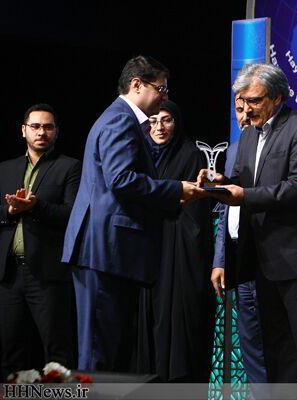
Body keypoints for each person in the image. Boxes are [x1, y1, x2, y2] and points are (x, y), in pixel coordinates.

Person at [62, 55, 205, 372]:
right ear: (137, 84)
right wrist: (175, 190)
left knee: (111, 353)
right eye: (161, 89)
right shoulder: (121, 120)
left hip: (108, 252)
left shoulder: (122, 119)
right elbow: (121, 179)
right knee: (100, 356)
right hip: (103, 251)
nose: (164, 97)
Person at [196, 63, 297, 384]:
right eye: (243, 101)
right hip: (263, 262)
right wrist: (218, 182)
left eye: (255, 100)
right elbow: (241, 181)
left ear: (277, 98)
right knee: (277, 352)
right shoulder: (249, 135)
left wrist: (244, 195)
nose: (247, 109)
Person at [0, 104, 81, 379]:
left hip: (48, 274)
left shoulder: (69, 167)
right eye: (35, 126)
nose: (41, 132)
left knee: (57, 353)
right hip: (10, 274)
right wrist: (10, 211)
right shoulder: (6, 168)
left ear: (56, 132)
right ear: (23, 130)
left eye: (48, 127)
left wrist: (35, 207)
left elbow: (72, 214)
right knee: (12, 352)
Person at [136, 100, 215, 381]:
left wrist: (157, 202)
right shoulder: (139, 155)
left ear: (177, 123)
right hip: (146, 250)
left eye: (166, 120)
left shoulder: (190, 155)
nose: (159, 127)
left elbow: (194, 213)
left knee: (178, 326)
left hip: (178, 252)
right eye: (153, 121)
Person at [212, 96, 267, 384]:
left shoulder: (276, 145)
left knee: (273, 344)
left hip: (269, 261)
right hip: (239, 258)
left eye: (250, 107)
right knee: (250, 346)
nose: (244, 115)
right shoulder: (233, 151)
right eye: (238, 109)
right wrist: (220, 260)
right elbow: (226, 211)